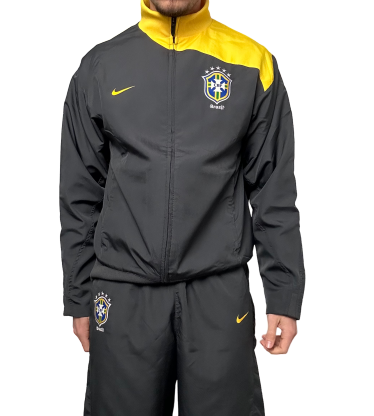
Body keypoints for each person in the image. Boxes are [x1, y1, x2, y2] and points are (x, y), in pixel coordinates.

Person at [59, 0, 307, 415]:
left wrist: (284, 295)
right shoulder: (100, 66)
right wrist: (78, 297)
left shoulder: (252, 63)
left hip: (219, 290)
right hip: (121, 290)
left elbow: (273, 189)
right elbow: (79, 193)